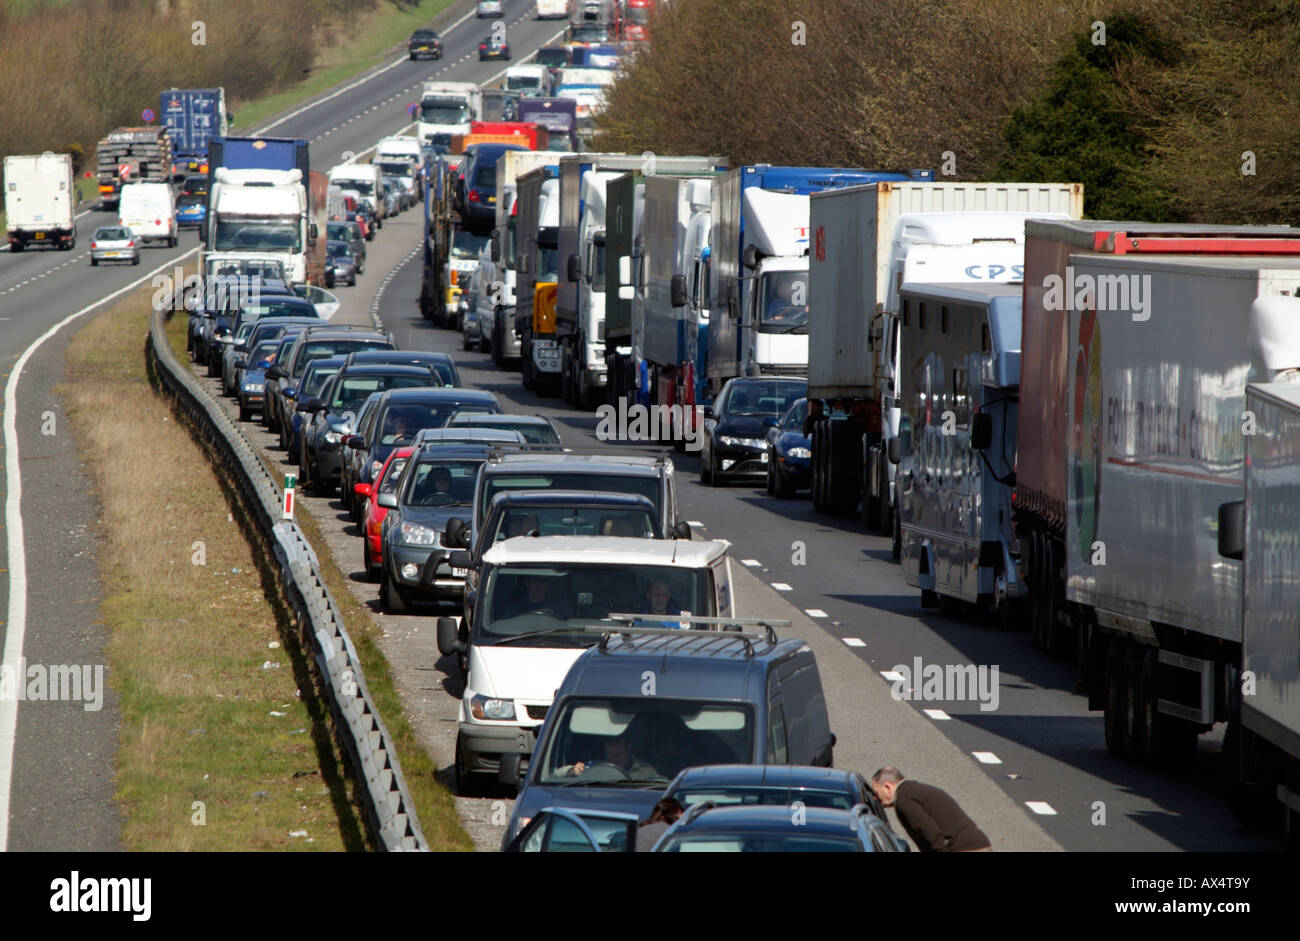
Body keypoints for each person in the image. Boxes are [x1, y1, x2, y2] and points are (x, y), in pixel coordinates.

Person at [871, 767, 991, 852]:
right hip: (978, 843)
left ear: (887, 786)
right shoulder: (916, 790)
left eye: (876, 793)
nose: (876, 798)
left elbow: (928, 830)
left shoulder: (904, 800)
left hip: (963, 848)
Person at [559, 733, 660, 783]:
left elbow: (661, 784)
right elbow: (555, 774)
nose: (616, 759)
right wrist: (572, 771)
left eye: (620, 754)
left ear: (628, 749)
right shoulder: (595, 767)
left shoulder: (645, 771)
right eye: (612, 755)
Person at [498, 574, 567, 620]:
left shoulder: (555, 611)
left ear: (548, 586)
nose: (539, 584)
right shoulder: (514, 610)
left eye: (544, 580)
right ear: (527, 583)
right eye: (536, 579)